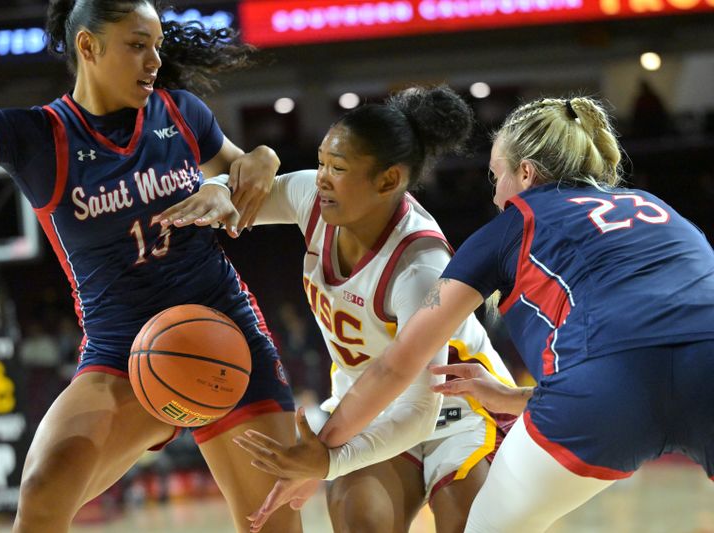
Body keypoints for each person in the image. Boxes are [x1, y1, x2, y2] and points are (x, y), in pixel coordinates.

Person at [232, 95, 714, 532]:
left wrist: (324, 452)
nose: (494, 194)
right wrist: (522, 398)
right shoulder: (656, 208)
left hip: (560, 399)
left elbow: (400, 364)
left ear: (525, 174)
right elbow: (661, 343)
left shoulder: (502, 230)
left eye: (495, 175)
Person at [0, 1, 301, 532]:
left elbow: (245, 170)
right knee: (43, 493)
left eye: (157, 46)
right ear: (88, 47)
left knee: (271, 525)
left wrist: (265, 156)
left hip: (224, 334)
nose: (154, 61)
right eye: (138, 46)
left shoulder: (182, 113)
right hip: (123, 351)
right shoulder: (37, 137)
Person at [164, 85, 515, 533]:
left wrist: (327, 461)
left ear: (388, 181)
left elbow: (419, 410)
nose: (322, 176)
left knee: (464, 525)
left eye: (339, 168)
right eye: (322, 162)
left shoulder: (421, 267)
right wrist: (217, 188)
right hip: (367, 407)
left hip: (459, 411)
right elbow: (243, 191)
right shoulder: (314, 197)